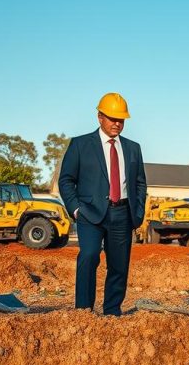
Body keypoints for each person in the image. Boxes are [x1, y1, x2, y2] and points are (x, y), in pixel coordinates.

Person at [59, 92, 147, 316]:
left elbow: (140, 184)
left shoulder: (133, 148)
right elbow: (66, 180)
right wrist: (76, 209)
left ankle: (112, 311)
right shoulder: (80, 145)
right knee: (88, 256)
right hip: (90, 214)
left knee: (119, 266)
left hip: (123, 214)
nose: (117, 123)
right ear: (100, 117)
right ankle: (83, 311)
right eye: (112, 118)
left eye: (121, 120)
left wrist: (137, 213)